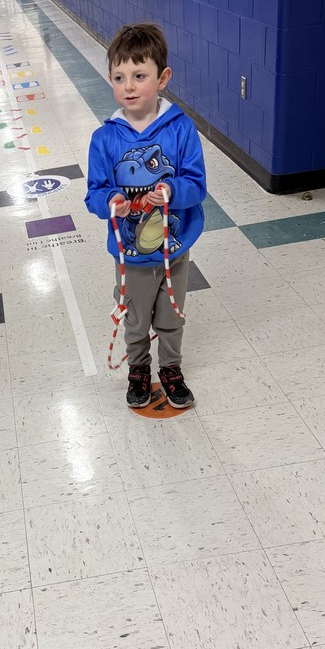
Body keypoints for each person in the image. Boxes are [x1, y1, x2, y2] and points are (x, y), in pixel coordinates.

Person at [85, 22, 206, 409]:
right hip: (130, 257)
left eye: (140, 76)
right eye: (120, 78)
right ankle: (138, 369)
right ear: (110, 79)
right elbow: (95, 192)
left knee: (172, 317)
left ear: (163, 78)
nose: (130, 86)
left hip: (173, 250)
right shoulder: (104, 138)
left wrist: (172, 191)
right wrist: (111, 202)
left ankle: (171, 368)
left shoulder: (181, 129)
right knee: (135, 320)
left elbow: (196, 183)